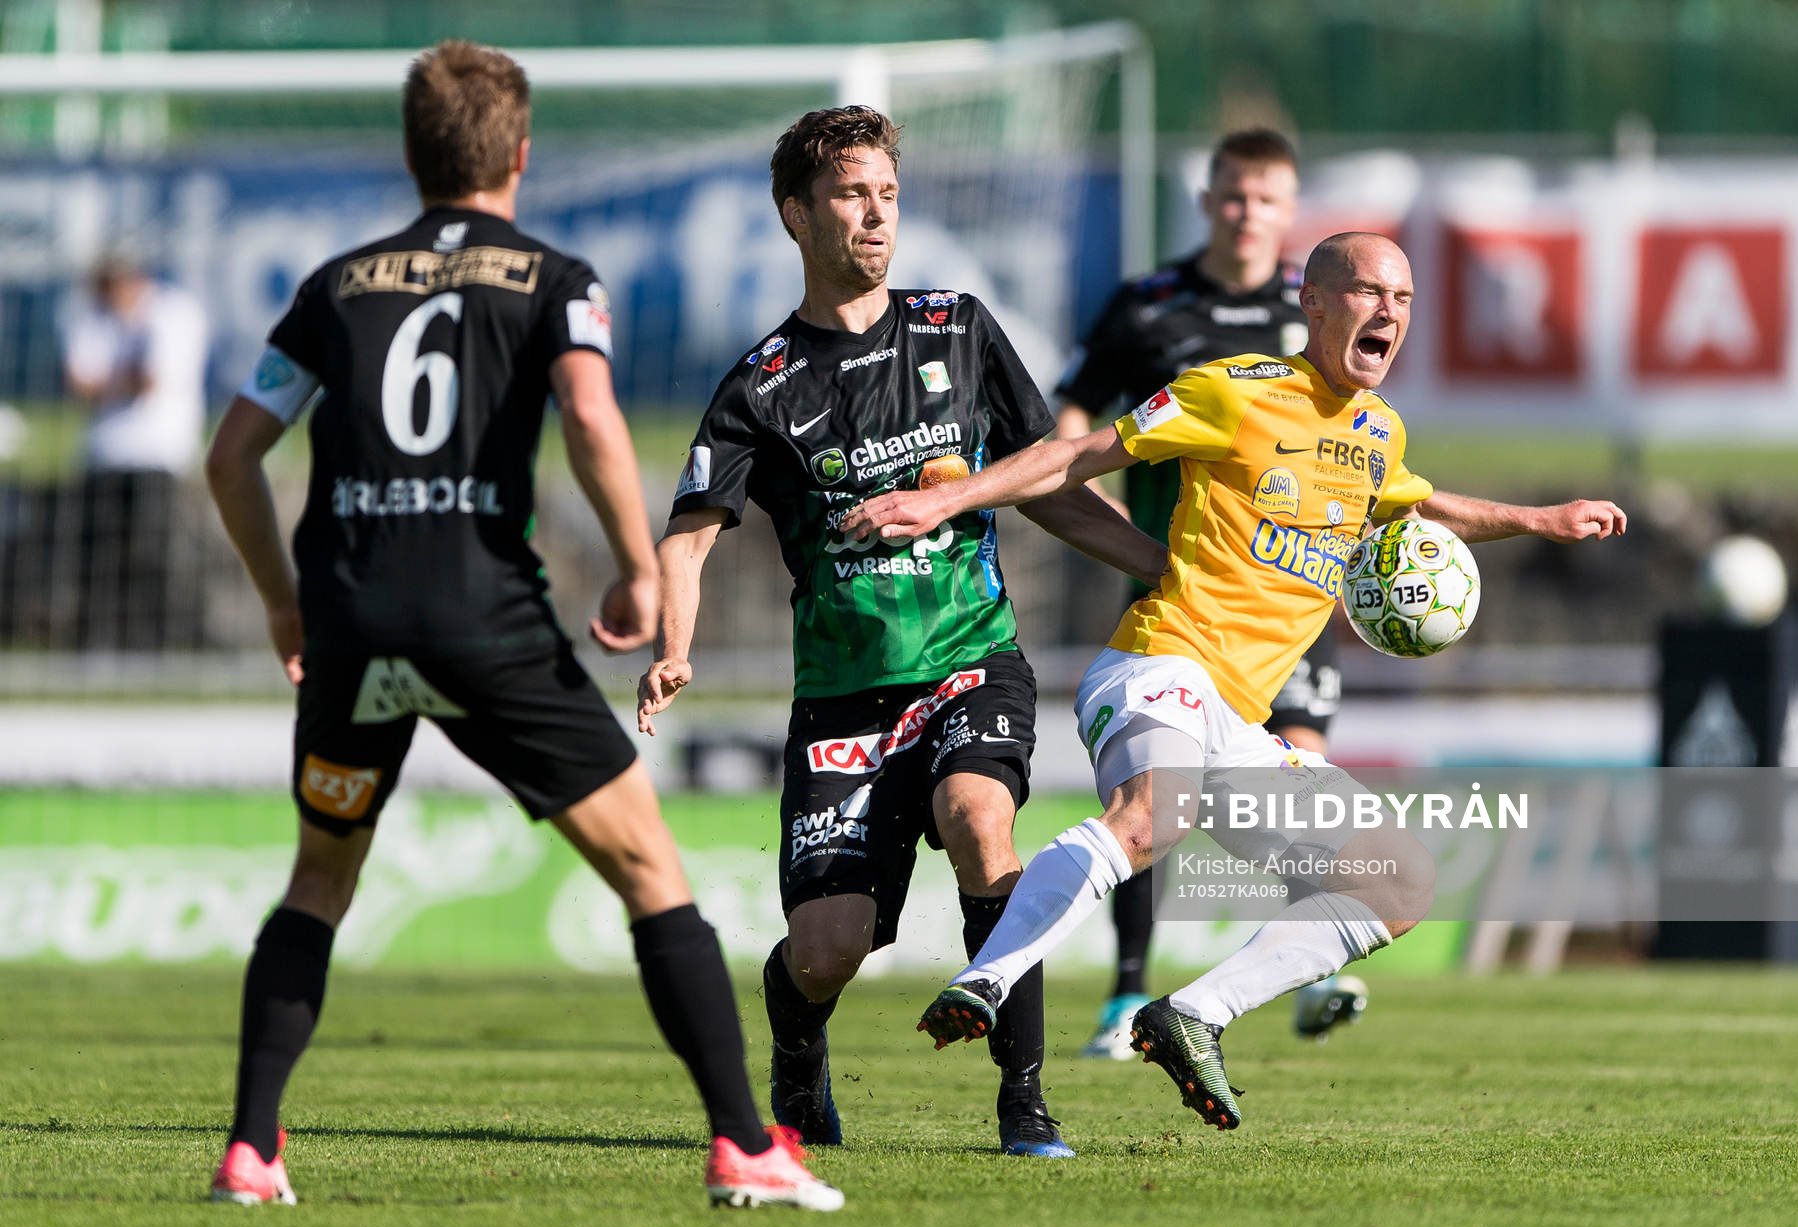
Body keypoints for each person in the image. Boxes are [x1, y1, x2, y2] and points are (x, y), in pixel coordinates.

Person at [201, 40, 840, 1212]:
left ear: (413, 154)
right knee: (650, 869)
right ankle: (746, 1144)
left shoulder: (334, 284)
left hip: (353, 624)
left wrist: (284, 600)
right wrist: (641, 567)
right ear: (521, 153)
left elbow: (232, 453)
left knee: (318, 881)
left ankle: (250, 1150)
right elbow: (590, 415)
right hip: (480, 619)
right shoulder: (554, 277)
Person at [844, 232, 1627, 1129]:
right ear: (1314, 302)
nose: (1389, 312)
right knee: (1154, 816)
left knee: (1399, 882)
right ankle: (989, 978)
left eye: (1404, 299)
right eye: (1369, 292)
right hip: (1159, 663)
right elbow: (1078, 454)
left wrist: (1540, 518)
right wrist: (944, 498)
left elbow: (1420, 503)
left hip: (1240, 724)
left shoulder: (1379, 432)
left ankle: (1193, 1015)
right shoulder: (1235, 390)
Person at [639, 106, 1165, 1159]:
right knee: (826, 950)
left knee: (980, 820)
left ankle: (1025, 1102)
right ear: (796, 214)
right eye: (850, 194)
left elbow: (1049, 485)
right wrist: (672, 647)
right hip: (844, 697)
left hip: (971, 657)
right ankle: (797, 1053)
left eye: (886, 192)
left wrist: (1166, 567)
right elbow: (687, 541)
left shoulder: (957, 328)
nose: (876, 214)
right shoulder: (759, 386)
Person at [1053, 129, 1361, 1057]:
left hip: (1292, 599)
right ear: (1207, 202)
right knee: (1159, 796)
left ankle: (1313, 962)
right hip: (1182, 589)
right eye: (1232, 196)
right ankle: (1126, 994)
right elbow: (1075, 414)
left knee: (1301, 772)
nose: (1246, 214)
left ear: (1289, 209)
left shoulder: (1313, 311)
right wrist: (1102, 512)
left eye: (1265, 199)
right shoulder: (1148, 306)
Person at [61, 253, 209, 648]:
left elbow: (149, 381)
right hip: (102, 455)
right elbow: (78, 384)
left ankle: (160, 641)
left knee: (154, 552)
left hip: (159, 453)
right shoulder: (90, 314)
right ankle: (101, 641)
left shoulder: (172, 312)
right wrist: (119, 381)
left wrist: (106, 383)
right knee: (99, 556)